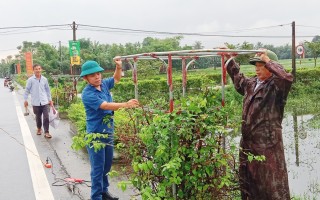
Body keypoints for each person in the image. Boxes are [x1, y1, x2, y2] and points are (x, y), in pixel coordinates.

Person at [225, 50, 293, 200]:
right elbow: (239, 80)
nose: (256, 68)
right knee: (248, 185)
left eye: (261, 65)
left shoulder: (276, 88)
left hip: (267, 147)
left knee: (270, 187)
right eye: (256, 65)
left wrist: (268, 61)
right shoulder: (252, 83)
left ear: (271, 67)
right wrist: (229, 59)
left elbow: (286, 79)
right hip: (248, 145)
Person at [80, 59, 139, 200]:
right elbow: (105, 105)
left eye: (98, 74)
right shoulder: (88, 93)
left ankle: (103, 192)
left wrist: (118, 67)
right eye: (92, 75)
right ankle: (96, 197)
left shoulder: (104, 85)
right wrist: (126, 104)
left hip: (108, 132)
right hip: (95, 135)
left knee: (106, 166)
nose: (97, 77)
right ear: (86, 78)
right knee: (98, 168)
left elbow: (116, 79)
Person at [24, 64, 53, 138]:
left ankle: (46, 132)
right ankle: (39, 129)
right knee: (38, 117)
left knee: (46, 117)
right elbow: (27, 90)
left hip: (44, 101)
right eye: (36, 69)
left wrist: (50, 100)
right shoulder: (30, 80)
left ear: (41, 69)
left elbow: (47, 90)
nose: (38, 70)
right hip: (35, 102)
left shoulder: (44, 79)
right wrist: (25, 99)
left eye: (39, 69)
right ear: (33, 70)